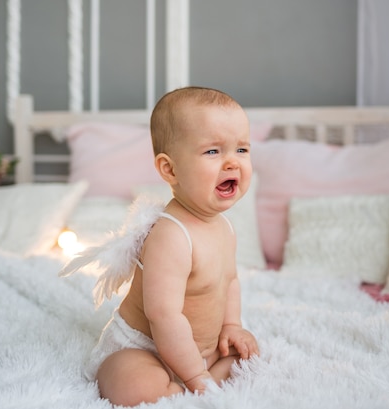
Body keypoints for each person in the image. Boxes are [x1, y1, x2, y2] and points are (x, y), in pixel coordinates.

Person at [63, 86, 259, 407]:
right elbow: (164, 316)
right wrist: (196, 378)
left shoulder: (225, 226)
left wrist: (232, 326)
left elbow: (229, 281)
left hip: (199, 350)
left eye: (241, 150)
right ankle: (183, 389)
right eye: (213, 152)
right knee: (133, 383)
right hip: (144, 349)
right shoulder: (171, 235)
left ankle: (192, 382)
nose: (232, 163)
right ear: (170, 169)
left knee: (247, 355)